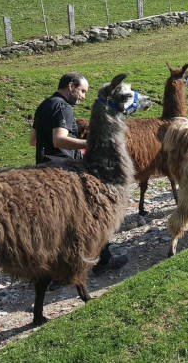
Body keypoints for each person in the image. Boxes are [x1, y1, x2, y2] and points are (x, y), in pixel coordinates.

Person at [30, 72, 128, 276]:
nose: (83, 96)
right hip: (64, 170)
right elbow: (59, 139)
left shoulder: (44, 105)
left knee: (60, 224)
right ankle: (103, 261)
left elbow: (33, 140)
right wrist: (92, 142)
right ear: (71, 85)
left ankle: (56, 272)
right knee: (93, 214)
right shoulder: (63, 107)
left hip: (43, 170)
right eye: (82, 91)